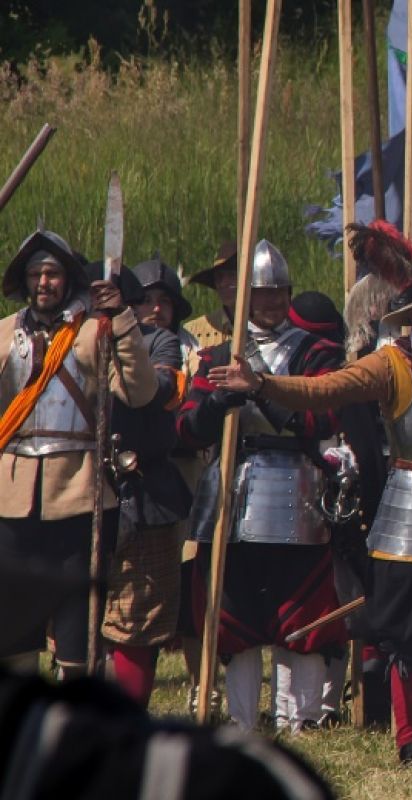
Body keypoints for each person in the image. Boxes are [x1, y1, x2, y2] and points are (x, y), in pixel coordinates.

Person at [210, 220, 412, 764]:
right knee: (407, 638)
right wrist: (264, 384)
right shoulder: (393, 363)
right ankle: (409, 741)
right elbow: (324, 391)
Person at [179, 240, 346, 734]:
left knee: (301, 616)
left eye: (278, 293)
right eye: (262, 294)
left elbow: (324, 415)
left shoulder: (317, 352)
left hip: (297, 491)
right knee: (236, 621)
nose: (271, 303)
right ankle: (243, 722)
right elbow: (186, 430)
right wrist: (215, 406)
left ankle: (303, 719)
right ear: (242, 297)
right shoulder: (217, 356)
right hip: (230, 490)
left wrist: (263, 394)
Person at [0, 230, 157, 680]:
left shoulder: (94, 332)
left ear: (67, 279)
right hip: (10, 496)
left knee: (77, 619)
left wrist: (122, 318)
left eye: (51, 273)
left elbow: (141, 391)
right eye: (35, 274)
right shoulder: (5, 334)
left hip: (78, 493)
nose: (43, 282)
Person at [101, 259, 197, 706]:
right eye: (143, 301)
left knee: (138, 618)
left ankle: (125, 720)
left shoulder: (162, 343)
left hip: (144, 492)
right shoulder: (77, 341)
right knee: (75, 614)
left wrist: (122, 333)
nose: (152, 310)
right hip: (82, 489)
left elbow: (149, 391)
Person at [185, 241, 238, 353]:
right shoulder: (192, 331)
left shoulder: (268, 328)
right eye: (219, 277)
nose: (223, 283)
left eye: (232, 275)